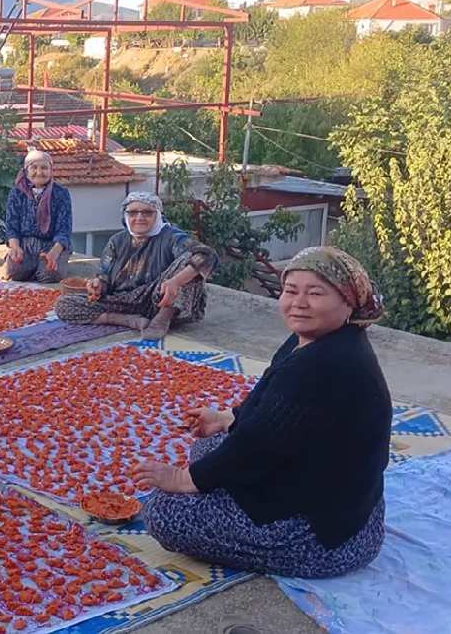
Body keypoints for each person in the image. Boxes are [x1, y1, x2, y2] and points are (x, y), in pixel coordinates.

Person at [135, 247, 391, 578]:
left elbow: (255, 445)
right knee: (208, 447)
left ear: (349, 302)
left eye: (315, 293)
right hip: (348, 506)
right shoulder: (320, 340)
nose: (299, 303)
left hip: (323, 538)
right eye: (291, 291)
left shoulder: (323, 365)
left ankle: (285, 548)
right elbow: (273, 411)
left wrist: (183, 479)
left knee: (163, 511)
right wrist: (227, 418)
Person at [54, 191, 217, 340]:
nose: (139, 217)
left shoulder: (171, 237)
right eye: (133, 213)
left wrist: (175, 282)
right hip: (123, 302)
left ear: (157, 215)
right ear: (125, 216)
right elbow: (104, 276)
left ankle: (163, 318)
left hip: (158, 300)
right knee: (64, 305)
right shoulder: (117, 241)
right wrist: (98, 285)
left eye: (147, 212)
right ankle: (125, 320)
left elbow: (208, 255)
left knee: (191, 261)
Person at [3, 149, 74, 283]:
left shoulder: (61, 193)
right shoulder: (17, 193)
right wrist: (15, 247)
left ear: (51, 170)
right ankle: (33, 266)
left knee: (50, 275)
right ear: (26, 171)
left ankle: (40, 267)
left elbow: (64, 229)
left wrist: (54, 253)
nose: (39, 172)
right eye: (34, 167)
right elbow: (12, 225)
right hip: (26, 243)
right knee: (14, 274)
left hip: (52, 244)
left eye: (44, 168)